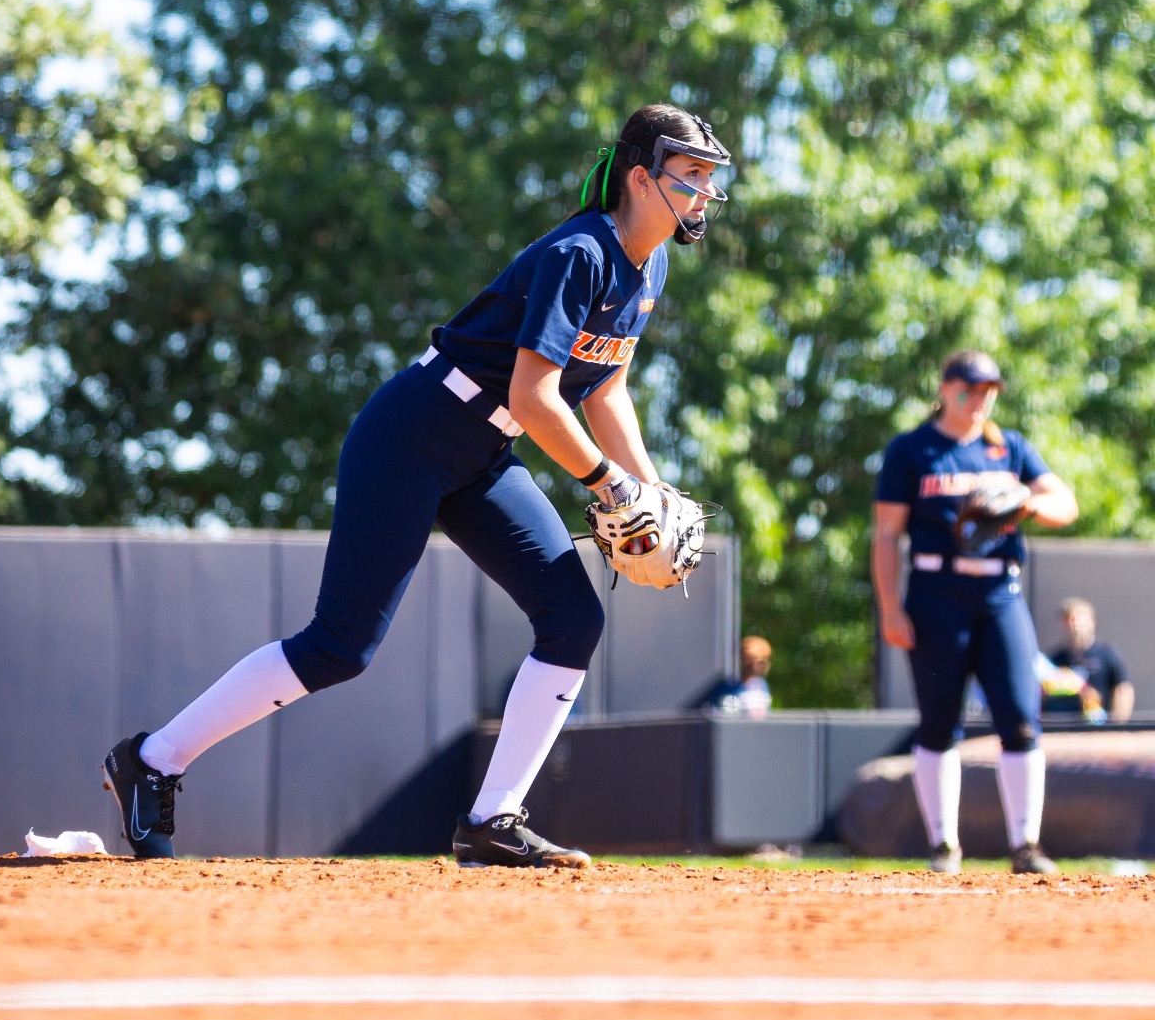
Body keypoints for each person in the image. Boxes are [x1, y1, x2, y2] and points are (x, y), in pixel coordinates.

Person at [100, 104, 733, 867]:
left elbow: (605, 389)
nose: (705, 191)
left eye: (709, 177)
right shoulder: (582, 252)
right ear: (640, 177)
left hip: (481, 451)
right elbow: (536, 397)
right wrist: (609, 484)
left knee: (573, 618)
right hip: (413, 433)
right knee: (338, 646)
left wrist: (648, 489)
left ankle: (492, 820)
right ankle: (152, 759)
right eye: (690, 174)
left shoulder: (650, 264)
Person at [872, 351, 1080, 875]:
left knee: (1021, 719)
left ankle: (1026, 846)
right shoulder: (913, 450)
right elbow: (886, 534)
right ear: (945, 388)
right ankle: (944, 846)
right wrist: (891, 608)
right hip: (936, 591)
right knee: (939, 722)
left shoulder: (1009, 448)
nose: (980, 399)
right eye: (970, 388)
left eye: (989, 390)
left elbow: (1066, 505)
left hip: (998, 594)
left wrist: (1028, 503)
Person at [1042, 598, 1133, 723]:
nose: (1075, 625)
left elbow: (1123, 689)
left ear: (1091, 622)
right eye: (1069, 619)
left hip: (1098, 726)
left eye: (1079, 619)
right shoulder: (1055, 659)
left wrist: (1118, 724)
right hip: (1064, 726)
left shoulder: (1107, 654)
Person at [703, 635, 775, 718]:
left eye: (763, 661)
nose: (760, 665)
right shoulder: (727, 686)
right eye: (751, 660)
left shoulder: (763, 686)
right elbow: (710, 712)